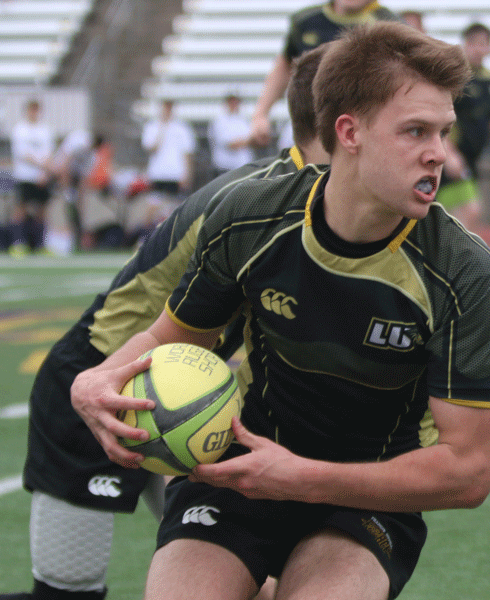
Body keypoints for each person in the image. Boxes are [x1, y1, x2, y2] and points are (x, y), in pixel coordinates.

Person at [70, 22, 490, 600]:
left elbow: (470, 471)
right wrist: (92, 380)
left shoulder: (463, 273)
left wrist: (303, 479)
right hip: (242, 466)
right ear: (349, 132)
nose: (439, 155)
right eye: (416, 131)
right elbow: (174, 337)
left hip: (364, 496)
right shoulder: (251, 216)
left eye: (444, 132)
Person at [0, 48, 329, 600]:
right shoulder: (265, 200)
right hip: (101, 379)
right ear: (345, 121)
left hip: (185, 390)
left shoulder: (306, 194)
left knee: (249, 582)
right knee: (66, 595)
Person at [250, 0, 398, 146]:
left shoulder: (392, 25)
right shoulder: (306, 20)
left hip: (360, 129)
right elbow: (284, 67)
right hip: (307, 126)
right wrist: (261, 114)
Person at [436, 22, 490, 230]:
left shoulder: (489, 79)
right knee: (469, 209)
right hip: (450, 157)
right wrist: (448, 152)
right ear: (466, 44)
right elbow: (442, 118)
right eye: (475, 44)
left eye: (484, 44)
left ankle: (445, 256)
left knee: (447, 213)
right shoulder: (455, 77)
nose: (479, 49)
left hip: (470, 158)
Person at [135, 99, 197, 242]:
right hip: (158, 173)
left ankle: (176, 239)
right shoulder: (152, 126)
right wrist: (162, 129)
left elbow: (187, 154)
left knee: (176, 207)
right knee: (153, 205)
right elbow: (151, 148)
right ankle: (144, 238)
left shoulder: (182, 128)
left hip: (176, 173)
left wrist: (187, 174)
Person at [9, 98, 56, 256]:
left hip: (42, 177)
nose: (34, 113)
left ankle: (40, 244)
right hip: (25, 176)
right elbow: (23, 154)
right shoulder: (20, 129)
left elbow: (49, 153)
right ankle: (18, 243)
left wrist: (45, 172)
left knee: (42, 210)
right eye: (31, 109)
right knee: (20, 209)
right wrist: (42, 167)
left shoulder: (45, 130)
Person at [208, 94, 253, 179]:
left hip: (242, 168)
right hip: (225, 168)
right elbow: (230, 145)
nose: (234, 105)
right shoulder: (219, 121)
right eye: (231, 102)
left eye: (236, 102)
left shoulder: (244, 120)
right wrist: (247, 142)